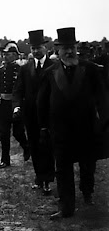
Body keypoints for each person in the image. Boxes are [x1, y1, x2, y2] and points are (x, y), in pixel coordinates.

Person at [38, 27, 109, 219]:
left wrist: (104, 121)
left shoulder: (90, 69)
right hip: (60, 131)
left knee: (88, 164)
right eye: (65, 48)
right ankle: (66, 207)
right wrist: (43, 127)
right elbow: (42, 102)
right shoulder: (50, 73)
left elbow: (102, 97)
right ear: (57, 50)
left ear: (76, 48)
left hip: (86, 128)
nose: (69, 52)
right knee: (62, 168)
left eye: (72, 47)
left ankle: (87, 193)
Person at [13, 30, 55, 195]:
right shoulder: (26, 68)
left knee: (48, 147)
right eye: (33, 48)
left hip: (50, 114)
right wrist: (17, 107)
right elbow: (18, 90)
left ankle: (48, 180)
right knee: (35, 146)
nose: (36, 51)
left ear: (45, 47)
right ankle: (39, 177)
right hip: (31, 115)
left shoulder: (54, 66)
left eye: (38, 48)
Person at [0, 41, 29, 169]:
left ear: (14, 55)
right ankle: (5, 160)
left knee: (18, 132)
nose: (5, 57)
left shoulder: (21, 70)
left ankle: (26, 147)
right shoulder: (0, 70)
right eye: (4, 54)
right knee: (4, 133)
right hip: (3, 105)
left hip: (16, 105)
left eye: (8, 54)